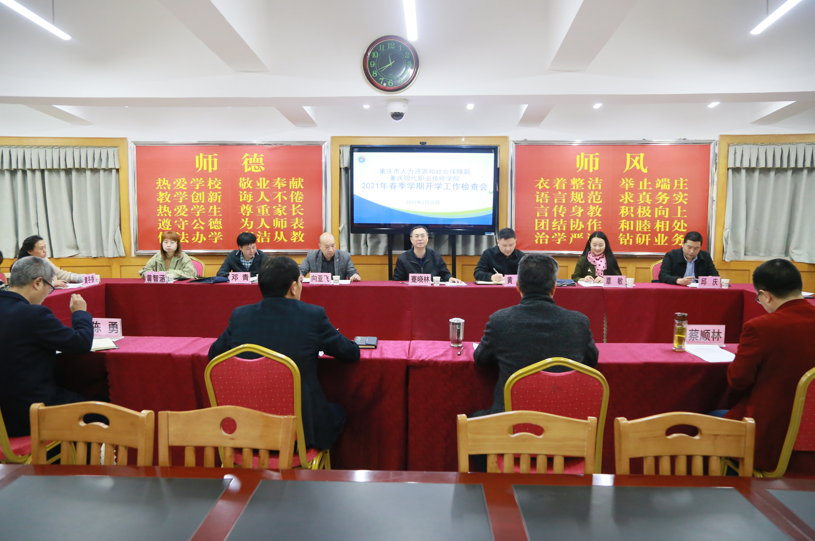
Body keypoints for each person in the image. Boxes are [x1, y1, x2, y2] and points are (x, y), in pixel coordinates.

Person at [208, 256, 360, 449]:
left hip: (246, 430)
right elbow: (350, 353)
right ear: (293, 287)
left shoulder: (240, 315)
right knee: (338, 413)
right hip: (299, 433)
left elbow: (214, 355)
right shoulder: (312, 315)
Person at [473, 253, 599, 416]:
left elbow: (481, 359)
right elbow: (591, 360)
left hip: (511, 421)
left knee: (468, 419)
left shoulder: (500, 320)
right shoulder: (578, 322)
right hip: (565, 420)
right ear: (554, 288)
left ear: (518, 286)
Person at [721, 259, 815, 472]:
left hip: (771, 437)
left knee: (712, 418)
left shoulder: (761, 328)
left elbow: (738, 381)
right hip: (809, 438)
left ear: (765, 295)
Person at [0, 257, 94, 437]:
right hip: (29, 412)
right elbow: (81, 343)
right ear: (37, 283)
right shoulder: (33, 314)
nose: (47, 294)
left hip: (3, 414)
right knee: (99, 410)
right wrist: (80, 313)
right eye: (50, 287)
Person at [392, 226, 464, 283]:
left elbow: (444, 273)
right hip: (411, 292)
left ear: (427, 238)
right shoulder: (403, 258)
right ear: (411, 239)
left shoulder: (436, 256)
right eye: (416, 236)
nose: (420, 239)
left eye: (422, 236)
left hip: (432, 291)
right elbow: (397, 280)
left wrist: (450, 278)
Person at [16, 235, 82, 287]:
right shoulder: (23, 266)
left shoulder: (44, 259)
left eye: (45, 247)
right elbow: (30, 285)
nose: (45, 251)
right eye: (41, 248)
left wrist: (81, 277)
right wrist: (52, 284)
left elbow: (60, 274)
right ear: (30, 251)